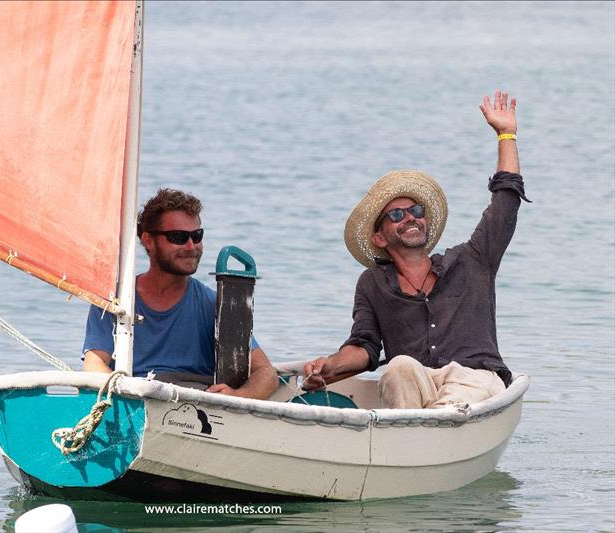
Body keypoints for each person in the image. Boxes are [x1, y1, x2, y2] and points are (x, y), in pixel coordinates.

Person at [303, 90, 529, 409]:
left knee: (458, 397)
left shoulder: (471, 260)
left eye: (416, 211)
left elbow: (506, 203)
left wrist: (506, 134)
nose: (410, 217)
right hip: (416, 386)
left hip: (475, 381)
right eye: (396, 215)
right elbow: (365, 348)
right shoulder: (372, 284)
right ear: (379, 238)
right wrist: (330, 365)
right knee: (398, 367)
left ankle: (429, 434)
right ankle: (416, 446)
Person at [83, 188, 278, 400]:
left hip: (196, 409)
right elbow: (94, 366)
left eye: (197, 236)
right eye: (178, 237)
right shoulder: (115, 301)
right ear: (148, 240)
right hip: (133, 401)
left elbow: (266, 373)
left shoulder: (212, 305)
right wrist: (129, 397)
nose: (191, 246)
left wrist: (238, 395)